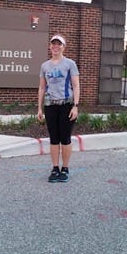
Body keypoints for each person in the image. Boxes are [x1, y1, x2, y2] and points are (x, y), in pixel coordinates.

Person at [37, 34, 80, 182]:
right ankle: (55, 168)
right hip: (50, 106)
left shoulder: (69, 64)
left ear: (63, 47)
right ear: (50, 46)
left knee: (65, 138)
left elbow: (75, 85)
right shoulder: (45, 66)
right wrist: (40, 109)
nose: (55, 46)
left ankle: (65, 169)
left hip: (66, 105)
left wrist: (75, 106)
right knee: (54, 139)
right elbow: (42, 88)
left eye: (59, 44)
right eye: (53, 44)